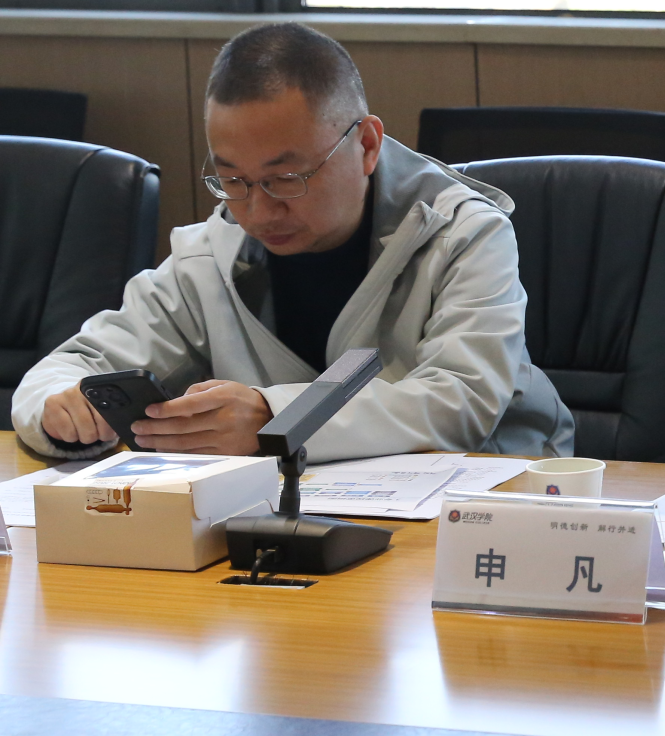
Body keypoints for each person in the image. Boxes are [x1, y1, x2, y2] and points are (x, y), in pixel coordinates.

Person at [11, 23, 573, 463]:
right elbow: (78, 364)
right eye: (233, 180)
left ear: (367, 145)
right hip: (297, 507)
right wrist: (60, 410)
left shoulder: (462, 232)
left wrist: (272, 419)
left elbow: (461, 400)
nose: (258, 211)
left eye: (286, 179)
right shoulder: (211, 254)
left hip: (490, 502)